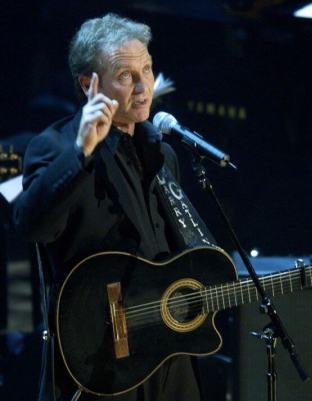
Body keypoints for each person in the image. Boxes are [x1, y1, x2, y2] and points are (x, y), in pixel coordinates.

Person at [14, 13, 213, 401]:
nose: (144, 87)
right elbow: (31, 226)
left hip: (166, 351)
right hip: (101, 359)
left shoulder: (161, 152)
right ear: (89, 85)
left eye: (148, 69)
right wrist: (81, 152)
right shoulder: (55, 146)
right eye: (126, 76)